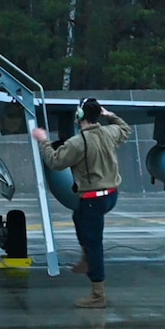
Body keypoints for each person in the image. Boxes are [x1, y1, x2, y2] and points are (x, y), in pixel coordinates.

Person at [32, 98, 132, 308]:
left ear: (79, 116)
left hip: (93, 199)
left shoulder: (78, 143)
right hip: (111, 195)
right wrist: (109, 114)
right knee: (78, 218)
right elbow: (124, 128)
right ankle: (87, 258)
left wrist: (43, 140)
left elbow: (55, 161)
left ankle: (98, 294)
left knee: (95, 244)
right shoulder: (109, 132)